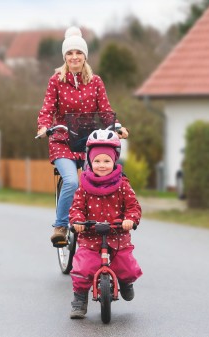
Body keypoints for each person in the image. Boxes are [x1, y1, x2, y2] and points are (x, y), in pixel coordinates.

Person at [37, 26, 129, 247]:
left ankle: (93, 224)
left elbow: (105, 111)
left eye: (78, 53)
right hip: (62, 141)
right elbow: (47, 109)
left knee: (94, 181)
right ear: (65, 57)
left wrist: (117, 126)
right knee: (70, 181)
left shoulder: (95, 81)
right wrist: (43, 127)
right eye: (70, 53)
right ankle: (60, 226)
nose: (74, 57)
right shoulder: (56, 81)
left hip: (87, 142)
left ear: (84, 56)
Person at [67, 129, 142, 319]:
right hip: (91, 236)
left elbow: (133, 206)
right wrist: (77, 222)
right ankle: (80, 298)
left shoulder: (123, 184)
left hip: (117, 235)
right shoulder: (84, 186)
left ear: (115, 161)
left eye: (107, 161)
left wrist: (130, 220)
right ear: (90, 162)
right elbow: (76, 208)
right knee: (83, 268)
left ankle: (125, 282)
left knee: (127, 267)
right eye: (97, 161)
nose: (102, 165)